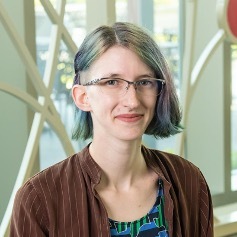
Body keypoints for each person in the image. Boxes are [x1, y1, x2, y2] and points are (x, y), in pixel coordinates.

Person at [10, 22, 213, 237]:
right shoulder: (39, 199)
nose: (132, 101)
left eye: (144, 82)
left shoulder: (189, 180)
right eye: (112, 82)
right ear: (83, 97)